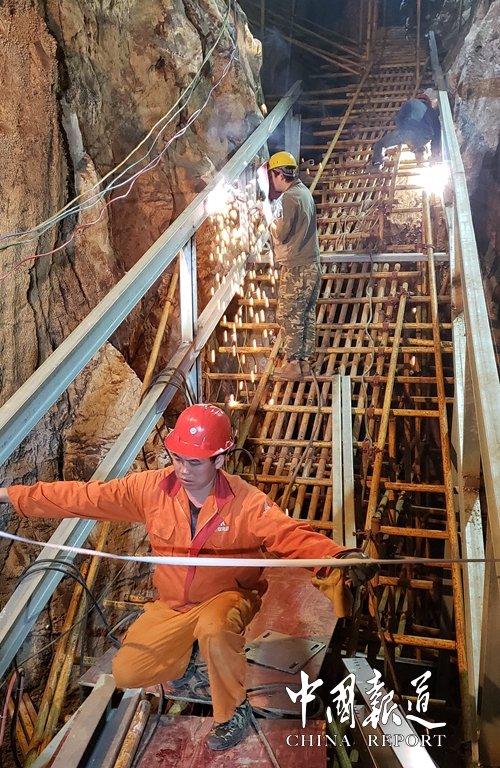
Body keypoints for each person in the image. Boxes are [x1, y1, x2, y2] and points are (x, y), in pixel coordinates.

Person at [0, 404, 377, 752]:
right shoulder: (151, 490)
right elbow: (85, 496)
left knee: (215, 630)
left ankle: (233, 710)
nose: (182, 470)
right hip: (174, 604)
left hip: (226, 597)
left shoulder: (247, 503)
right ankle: (187, 650)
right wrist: (11, 496)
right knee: (127, 672)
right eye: (177, 458)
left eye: (194, 462)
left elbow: (290, 535)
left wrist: (339, 558)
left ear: (220, 459)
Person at [266, 151, 321, 382]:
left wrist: (268, 219)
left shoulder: (289, 198)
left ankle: (293, 364)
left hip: (297, 267)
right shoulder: (304, 192)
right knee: (306, 313)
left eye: (272, 176)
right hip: (311, 264)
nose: (272, 181)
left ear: (279, 174)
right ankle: (305, 362)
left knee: (289, 314)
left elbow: (281, 232)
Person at [370, 91, 441, 169]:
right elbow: (437, 135)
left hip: (407, 133)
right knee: (418, 144)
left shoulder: (410, 103)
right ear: (428, 102)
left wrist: (401, 135)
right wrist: (434, 156)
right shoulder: (432, 111)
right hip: (425, 137)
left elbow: (399, 120)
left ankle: (377, 164)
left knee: (381, 144)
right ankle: (421, 159)